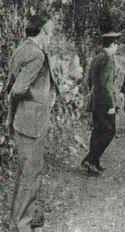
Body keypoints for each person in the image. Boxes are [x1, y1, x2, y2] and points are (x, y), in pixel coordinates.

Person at [6, 13, 58, 232]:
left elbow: (10, 84)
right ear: (43, 31)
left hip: (21, 121)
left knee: (25, 172)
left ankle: (20, 218)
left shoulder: (22, 48)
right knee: (31, 174)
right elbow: (17, 89)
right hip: (32, 124)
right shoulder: (37, 54)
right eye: (51, 33)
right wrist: (34, 103)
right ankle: (22, 224)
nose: (51, 37)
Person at [81, 26, 122, 175]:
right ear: (112, 45)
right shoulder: (108, 59)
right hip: (104, 102)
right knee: (109, 132)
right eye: (117, 44)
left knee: (98, 131)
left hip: (96, 100)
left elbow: (90, 81)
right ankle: (91, 160)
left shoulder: (97, 57)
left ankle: (94, 161)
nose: (117, 47)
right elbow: (105, 84)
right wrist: (110, 105)